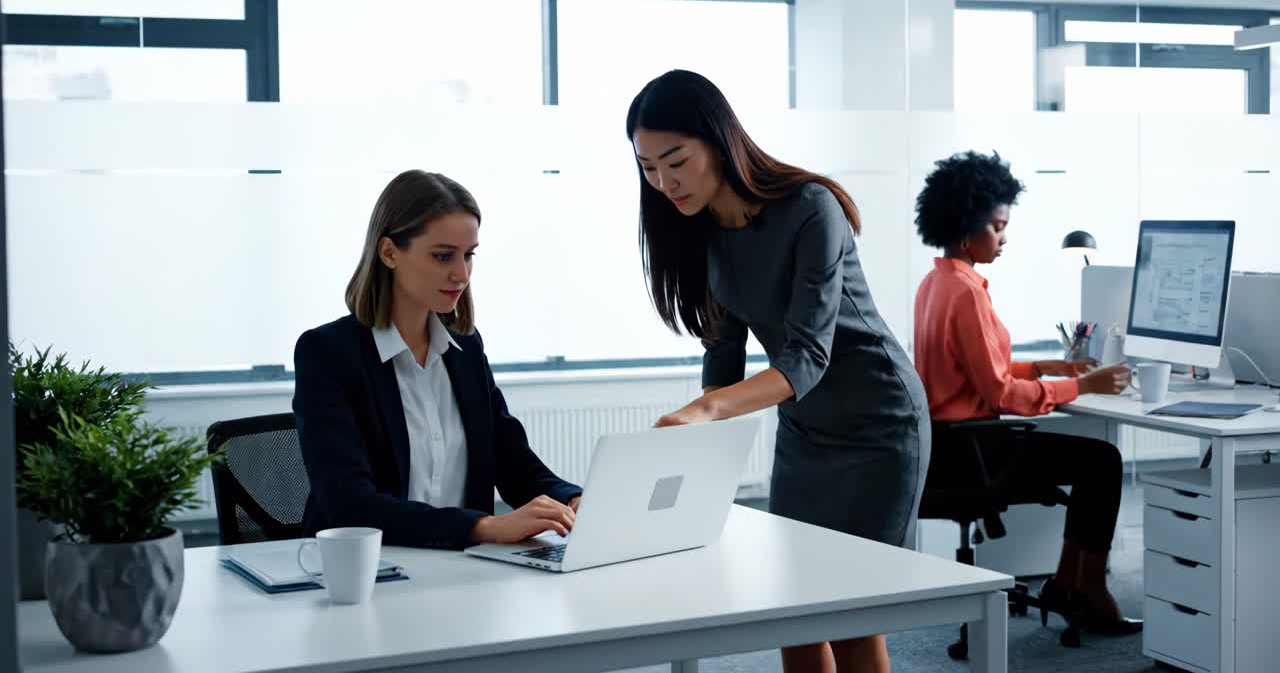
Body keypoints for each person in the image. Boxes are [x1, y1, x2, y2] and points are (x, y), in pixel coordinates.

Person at [627, 69, 929, 673]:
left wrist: (705, 409)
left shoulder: (811, 207)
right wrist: (698, 435)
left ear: (720, 143)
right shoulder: (700, 230)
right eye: (648, 167)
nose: (663, 183)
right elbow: (723, 354)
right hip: (805, 430)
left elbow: (807, 356)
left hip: (879, 424)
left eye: (676, 161)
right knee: (794, 612)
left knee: (850, 617)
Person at [912, 150, 1141, 635]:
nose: (1004, 238)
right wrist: (1082, 385)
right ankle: (1085, 589)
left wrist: (1045, 367)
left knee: (1092, 459)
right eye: (997, 227)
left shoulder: (935, 283)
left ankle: (1070, 584)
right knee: (1102, 461)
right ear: (965, 227)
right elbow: (998, 393)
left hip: (946, 448)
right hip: (976, 452)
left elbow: (971, 371)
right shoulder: (967, 293)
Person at [294, 170, 581, 550]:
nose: (461, 274)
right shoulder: (327, 353)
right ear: (389, 253)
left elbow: (513, 463)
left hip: (459, 569)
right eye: (443, 256)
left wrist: (572, 500)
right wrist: (483, 527)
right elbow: (349, 505)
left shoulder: (466, 348)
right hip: (363, 568)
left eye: (469, 255)